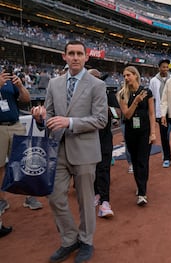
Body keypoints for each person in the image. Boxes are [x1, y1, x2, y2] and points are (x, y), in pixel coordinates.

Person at [31, 40, 108, 263]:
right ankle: (69, 239)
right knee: (54, 196)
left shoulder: (96, 85)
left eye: (79, 54)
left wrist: (70, 122)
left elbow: (101, 120)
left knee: (86, 201)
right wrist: (40, 117)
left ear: (86, 57)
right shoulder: (54, 84)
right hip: (58, 150)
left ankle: (86, 241)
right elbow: (49, 116)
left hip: (84, 150)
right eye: (71, 53)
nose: (75, 57)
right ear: (64, 57)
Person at [0, 66, 43, 217]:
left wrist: (19, 85)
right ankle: (2, 200)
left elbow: (26, 99)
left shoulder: (8, 81)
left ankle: (29, 197)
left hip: (15, 124)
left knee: (24, 163)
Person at [117, 66, 156, 206]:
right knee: (134, 160)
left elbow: (152, 114)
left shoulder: (147, 92)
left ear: (135, 75)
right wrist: (135, 102)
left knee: (143, 161)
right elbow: (127, 115)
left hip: (145, 131)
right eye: (124, 76)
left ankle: (142, 193)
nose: (126, 78)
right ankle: (140, 185)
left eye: (128, 75)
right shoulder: (122, 94)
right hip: (131, 131)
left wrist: (153, 133)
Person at [88, 69, 116, 218]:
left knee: (104, 168)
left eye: (97, 79)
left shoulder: (109, 94)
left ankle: (105, 202)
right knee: (91, 169)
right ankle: (95, 194)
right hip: (87, 138)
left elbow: (118, 112)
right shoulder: (82, 96)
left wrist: (105, 108)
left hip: (104, 138)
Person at [149, 59, 171, 168]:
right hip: (161, 113)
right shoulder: (154, 81)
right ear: (159, 68)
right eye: (163, 67)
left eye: (167, 67)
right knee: (164, 136)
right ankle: (167, 157)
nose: (165, 69)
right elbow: (152, 98)